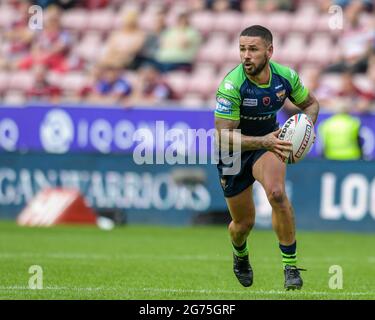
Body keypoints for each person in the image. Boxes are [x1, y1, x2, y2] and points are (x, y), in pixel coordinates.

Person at [214, 25, 319, 290]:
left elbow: (311, 104)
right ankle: (240, 255)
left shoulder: (285, 77)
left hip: (268, 144)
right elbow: (223, 136)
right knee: (243, 224)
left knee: (276, 194)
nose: (246, 55)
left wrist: (307, 128)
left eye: (253, 49)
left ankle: (290, 267)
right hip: (235, 151)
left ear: (269, 51)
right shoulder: (231, 85)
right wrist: (264, 140)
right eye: (242, 49)